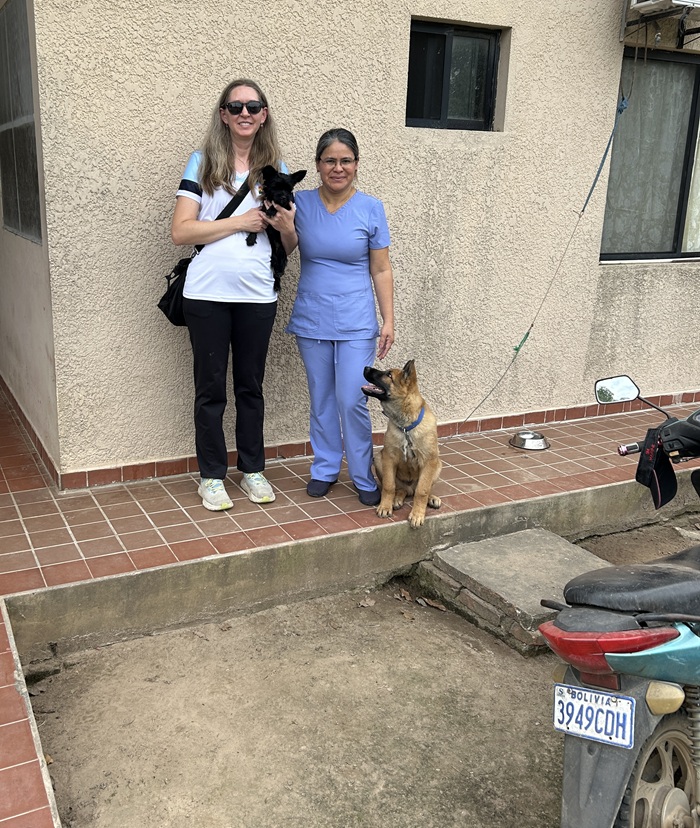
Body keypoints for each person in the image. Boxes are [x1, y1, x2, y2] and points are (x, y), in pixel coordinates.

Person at [171, 79, 296, 511]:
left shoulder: (275, 167)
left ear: (264, 115)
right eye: (236, 106)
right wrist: (240, 222)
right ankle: (211, 476)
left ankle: (253, 469)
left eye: (253, 106)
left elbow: (289, 245)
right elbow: (181, 231)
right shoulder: (202, 163)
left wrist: (286, 226)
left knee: (251, 387)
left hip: (258, 295)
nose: (245, 113)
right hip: (206, 294)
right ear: (223, 114)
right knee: (210, 390)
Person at [286, 128, 395, 506]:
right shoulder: (300, 203)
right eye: (330, 160)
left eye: (345, 160)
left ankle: (362, 474)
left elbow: (381, 268)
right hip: (312, 318)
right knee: (322, 398)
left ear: (356, 164)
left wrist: (388, 320)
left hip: (356, 320)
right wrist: (282, 225)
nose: (338, 168)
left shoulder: (370, 208)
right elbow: (284, 246)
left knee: (351, 399)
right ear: (317, 165)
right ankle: (325, 468)